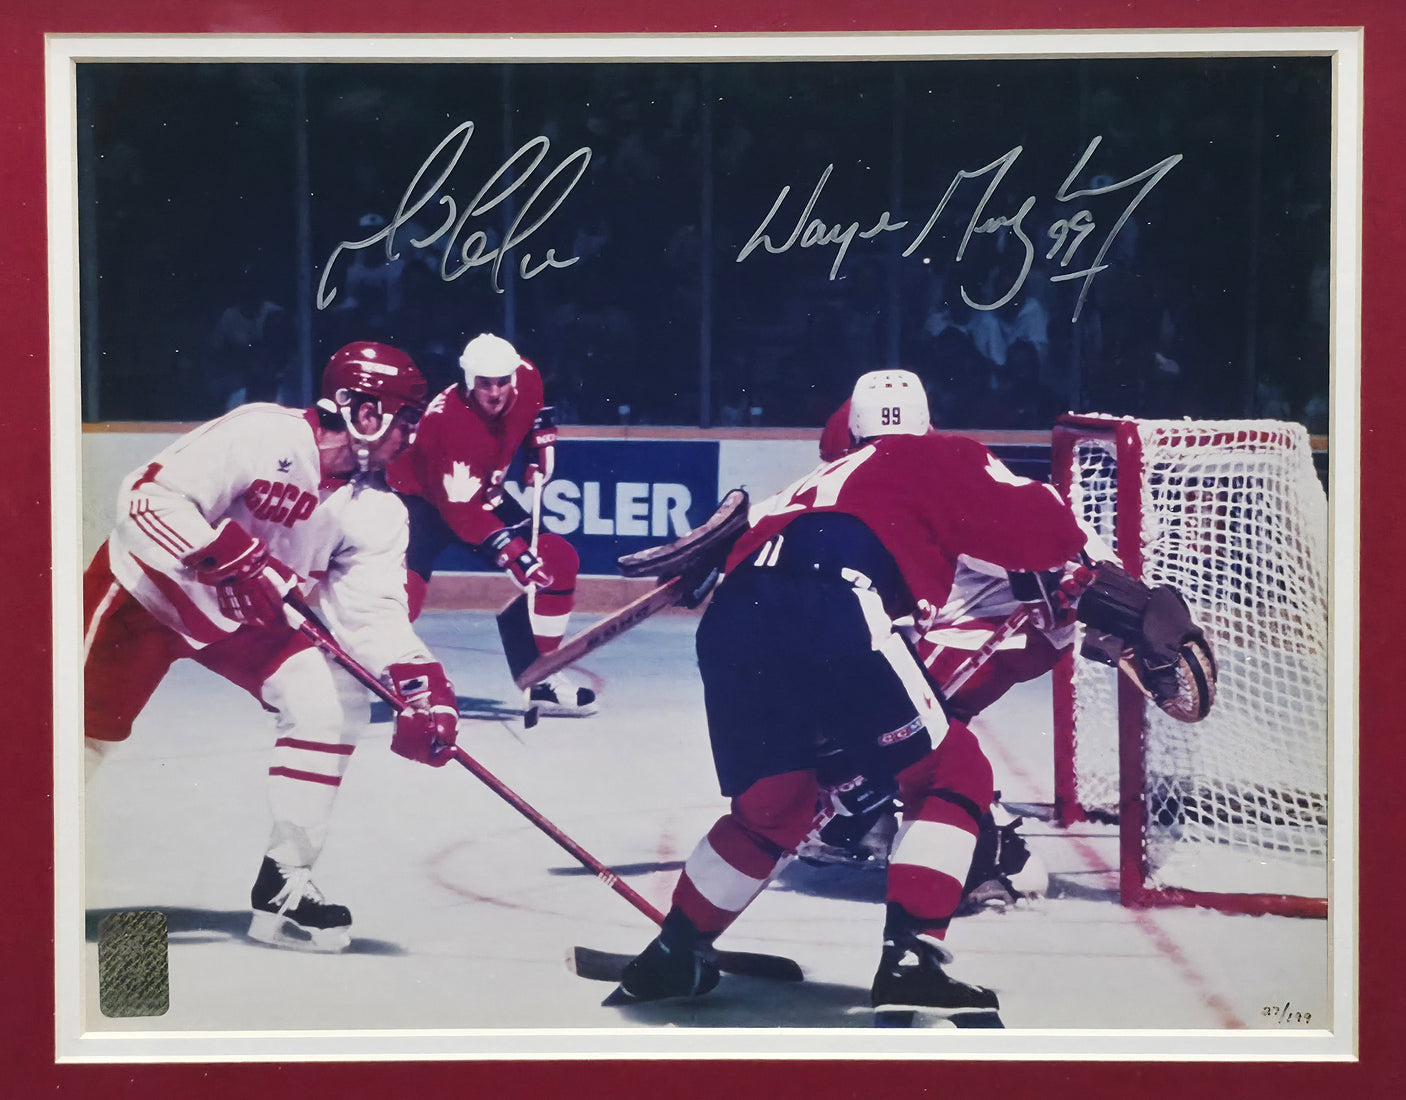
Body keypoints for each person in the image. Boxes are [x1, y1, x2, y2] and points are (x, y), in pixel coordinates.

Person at [608, 369, 1094, 1020]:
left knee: (773, 810)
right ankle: (912, 962)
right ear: (925, 419)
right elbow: (1043, 526)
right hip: (834, 598)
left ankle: (671, 955)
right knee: (952, 768)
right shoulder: (943, 452)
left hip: (731, 621)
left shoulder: (810, 482)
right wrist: (1081, 569)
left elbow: (744, 548)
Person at [84, 341, 460, 953]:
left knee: (332, 700)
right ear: (365, 412)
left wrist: (418, 679)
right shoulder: (264, 433)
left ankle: (283, 884)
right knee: (75, 740)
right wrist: (218, 551)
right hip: (150, 595)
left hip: (244, 615)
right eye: (407, 418)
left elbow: (371, 613)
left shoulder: (380, 511)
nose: (411, 436)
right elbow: (146, 497)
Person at [387, 333, 595, 716]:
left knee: (556, 559)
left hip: (480, 494)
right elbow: (460, 513)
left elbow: (534, 413)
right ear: (468, 381)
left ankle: (542, 678)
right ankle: (369, 673)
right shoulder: (444, 422)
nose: (496, 392)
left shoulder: (527, 376)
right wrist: (511, 552)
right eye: (485, 384)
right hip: (420, 503)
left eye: (502, 381)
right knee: (400, 600)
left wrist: (539, 445)